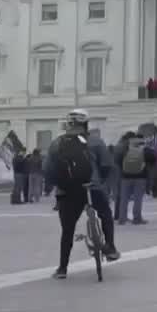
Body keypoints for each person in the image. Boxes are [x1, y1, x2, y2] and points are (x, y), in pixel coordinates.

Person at [45, 109, 119, 280]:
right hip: (92, 187)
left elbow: (47, 169)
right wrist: (101, 182)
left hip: (68, 191)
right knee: (106, 214)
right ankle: (111, 247)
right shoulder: (95, 141)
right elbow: (107, 165)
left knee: (68, 230)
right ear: (86, 124)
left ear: (68, 124)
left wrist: (59, 185)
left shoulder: (57, 143)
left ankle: (62, 268)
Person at [115, 132, 155, 224]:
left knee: (124, 198)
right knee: (138, 198)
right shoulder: (144, 148)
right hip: (140, 177)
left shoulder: (125, 148)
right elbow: (153, 158)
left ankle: (122, 219)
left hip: (125, 176)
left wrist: (124, 168)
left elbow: (117, 159)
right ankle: (137, 219)